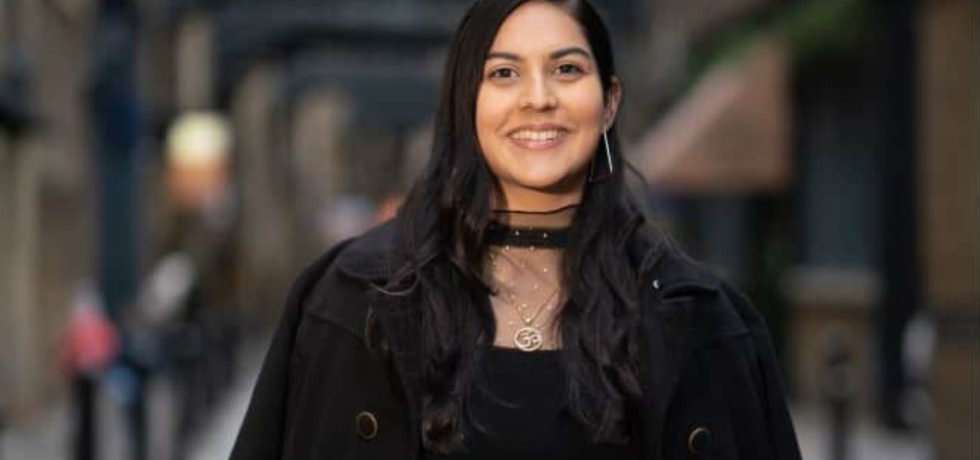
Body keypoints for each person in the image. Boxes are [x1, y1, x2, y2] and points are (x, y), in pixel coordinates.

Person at [229, 1, 802, 459]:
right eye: (504, 73)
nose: (538, 98)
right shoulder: (352, 303)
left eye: (567, 69)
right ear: (466, 103)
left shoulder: (705, 321)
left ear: (608, 102)